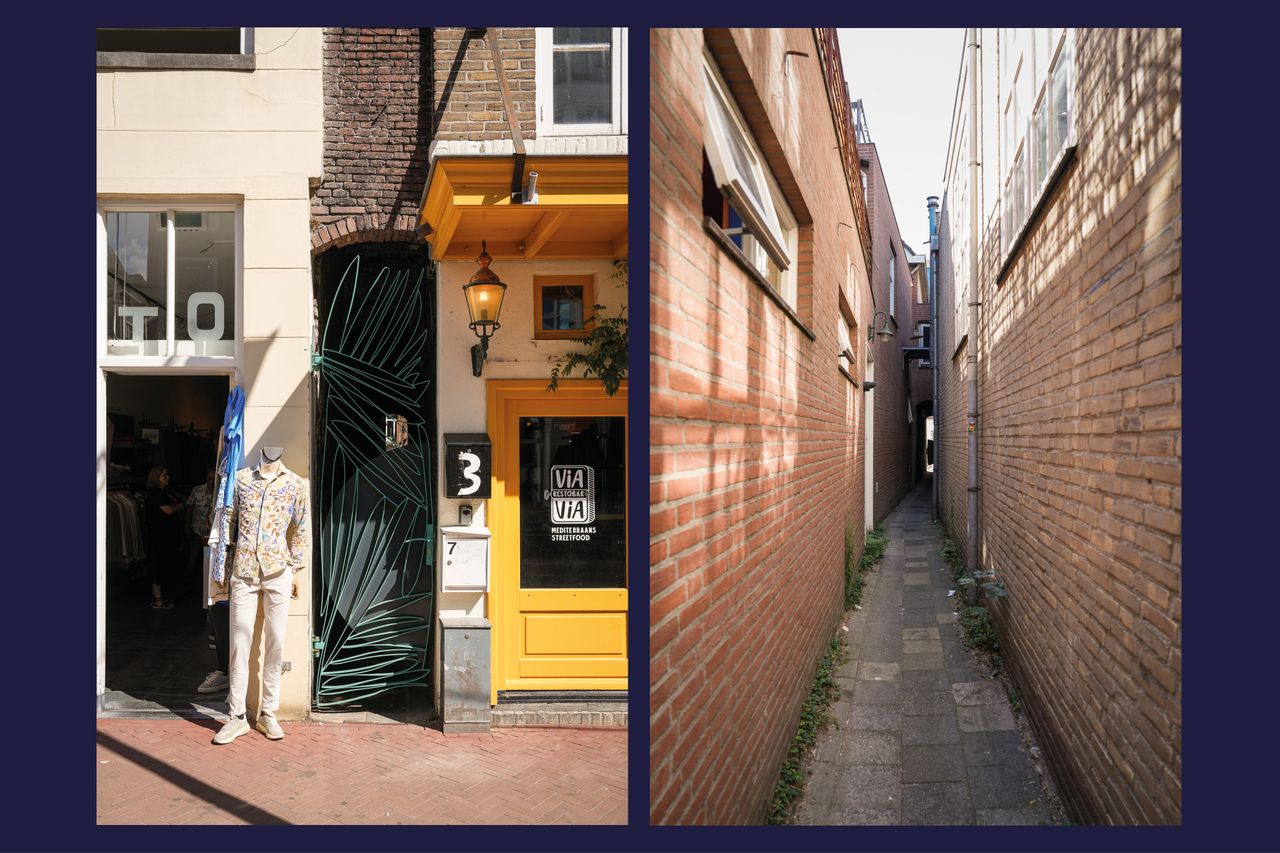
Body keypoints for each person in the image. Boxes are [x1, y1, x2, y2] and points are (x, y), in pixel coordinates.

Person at [213, 446, 308, 745]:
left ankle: (268, 711)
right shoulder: (241, 480)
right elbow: (229, 522)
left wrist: (295, 569)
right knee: (239, 641)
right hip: (243, 570)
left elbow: (302, 527)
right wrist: (222, 569)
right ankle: (237, 715)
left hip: (278, 570)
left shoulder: (295, 483)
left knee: (276, 640)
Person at [187, 468, 229, 695]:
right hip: (205, 541)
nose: (212, 481)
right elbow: (190, 509)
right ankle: (224, 670)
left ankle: (226, 671)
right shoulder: (201, 492)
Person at [143, 465, 184, 609]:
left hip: (162, 535)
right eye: (164, 475)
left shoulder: (163, 493)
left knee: (161, 565)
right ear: (157, 477)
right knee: (156, 565)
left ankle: (160, 597)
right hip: (157, 536)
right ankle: (157, 599)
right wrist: (178, 507)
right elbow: (168, 510)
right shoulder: (155, 494)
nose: (168, 478)